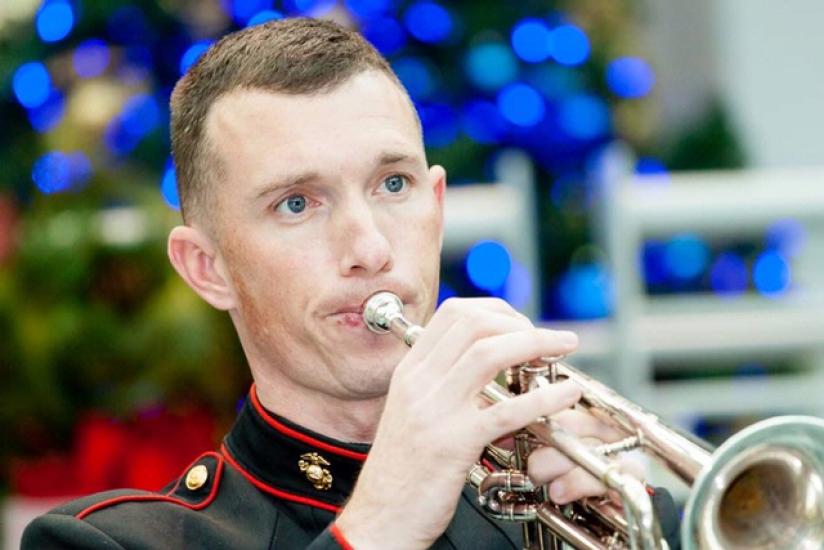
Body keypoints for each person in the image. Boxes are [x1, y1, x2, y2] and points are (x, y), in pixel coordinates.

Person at [23, 17, 679, 549]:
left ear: (437, 205)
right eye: (297, 204)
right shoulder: (114, 542)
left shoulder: (582, 504)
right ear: (207, 267)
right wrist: (378, 525)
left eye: (394, 185)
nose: (369, 248)